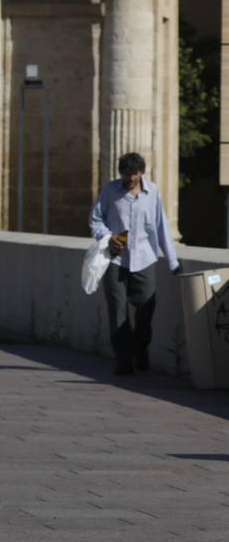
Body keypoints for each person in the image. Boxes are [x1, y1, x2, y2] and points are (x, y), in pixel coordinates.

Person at [88, 152, 180, 376]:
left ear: (141, 173)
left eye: (135, 174)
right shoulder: (110, 191)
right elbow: (95, 219)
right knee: (117, 310)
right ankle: (123, 358)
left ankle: (140, 349)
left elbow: (160, 226)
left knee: (146, 307)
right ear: (121, 173)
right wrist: (108, 236)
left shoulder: (152, 192)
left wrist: (173, 261)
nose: (131, 179)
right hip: (116, 258)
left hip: (145, 258)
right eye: (127, 174)